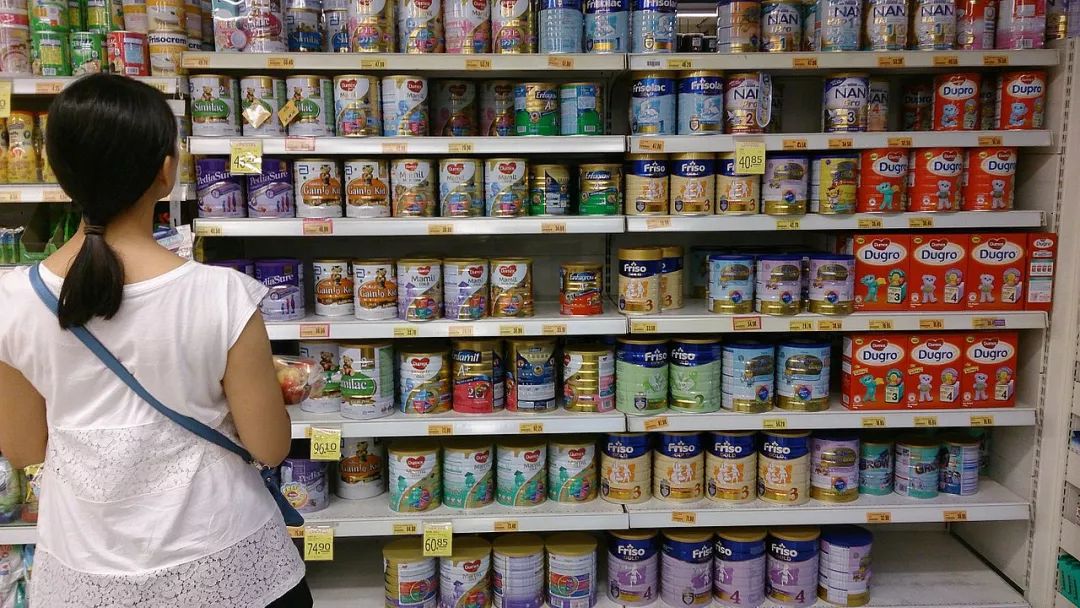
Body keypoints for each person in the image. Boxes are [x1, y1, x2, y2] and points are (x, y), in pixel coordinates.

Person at [0, 74, 309, 606]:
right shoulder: (222, 296)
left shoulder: (12, 300)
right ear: (165, 172)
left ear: (59, 171)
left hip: (84, 571)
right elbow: (270, 447)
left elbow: (25, 447)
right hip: (226, 562)